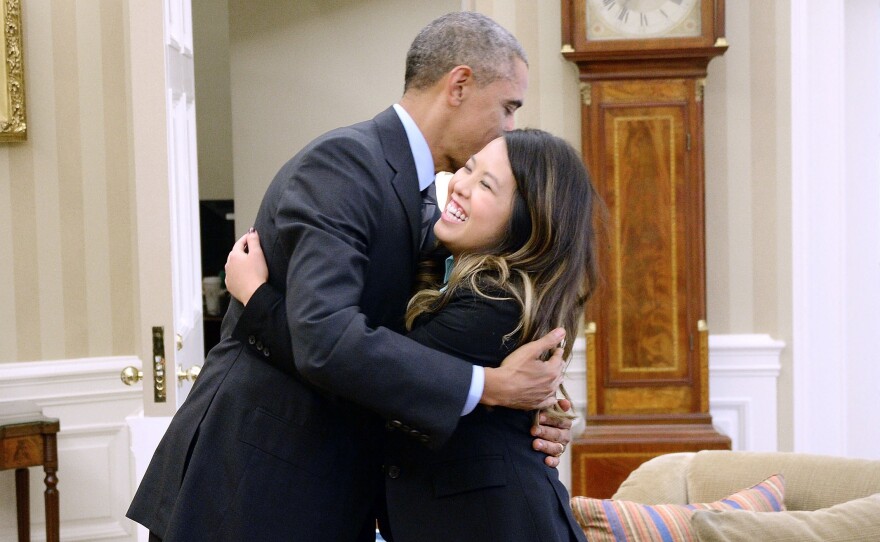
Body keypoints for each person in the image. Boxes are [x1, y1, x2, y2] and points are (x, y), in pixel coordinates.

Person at [127, 12, 573, 542]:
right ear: (459, 85)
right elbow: (328, 342)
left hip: (321, 490)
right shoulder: (345, 165)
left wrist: (537, 406)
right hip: (253, 486)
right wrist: (491, 388)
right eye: (508, 106)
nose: (510, 127)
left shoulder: (427, 200)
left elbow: (406, 345)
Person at [226, 128, 598, 541]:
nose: (459, 186)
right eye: (469, 168)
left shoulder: (494, 304)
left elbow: (365, 382)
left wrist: (257, 300)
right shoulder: (457, 274)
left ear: (526, 222)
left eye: (485, 185)